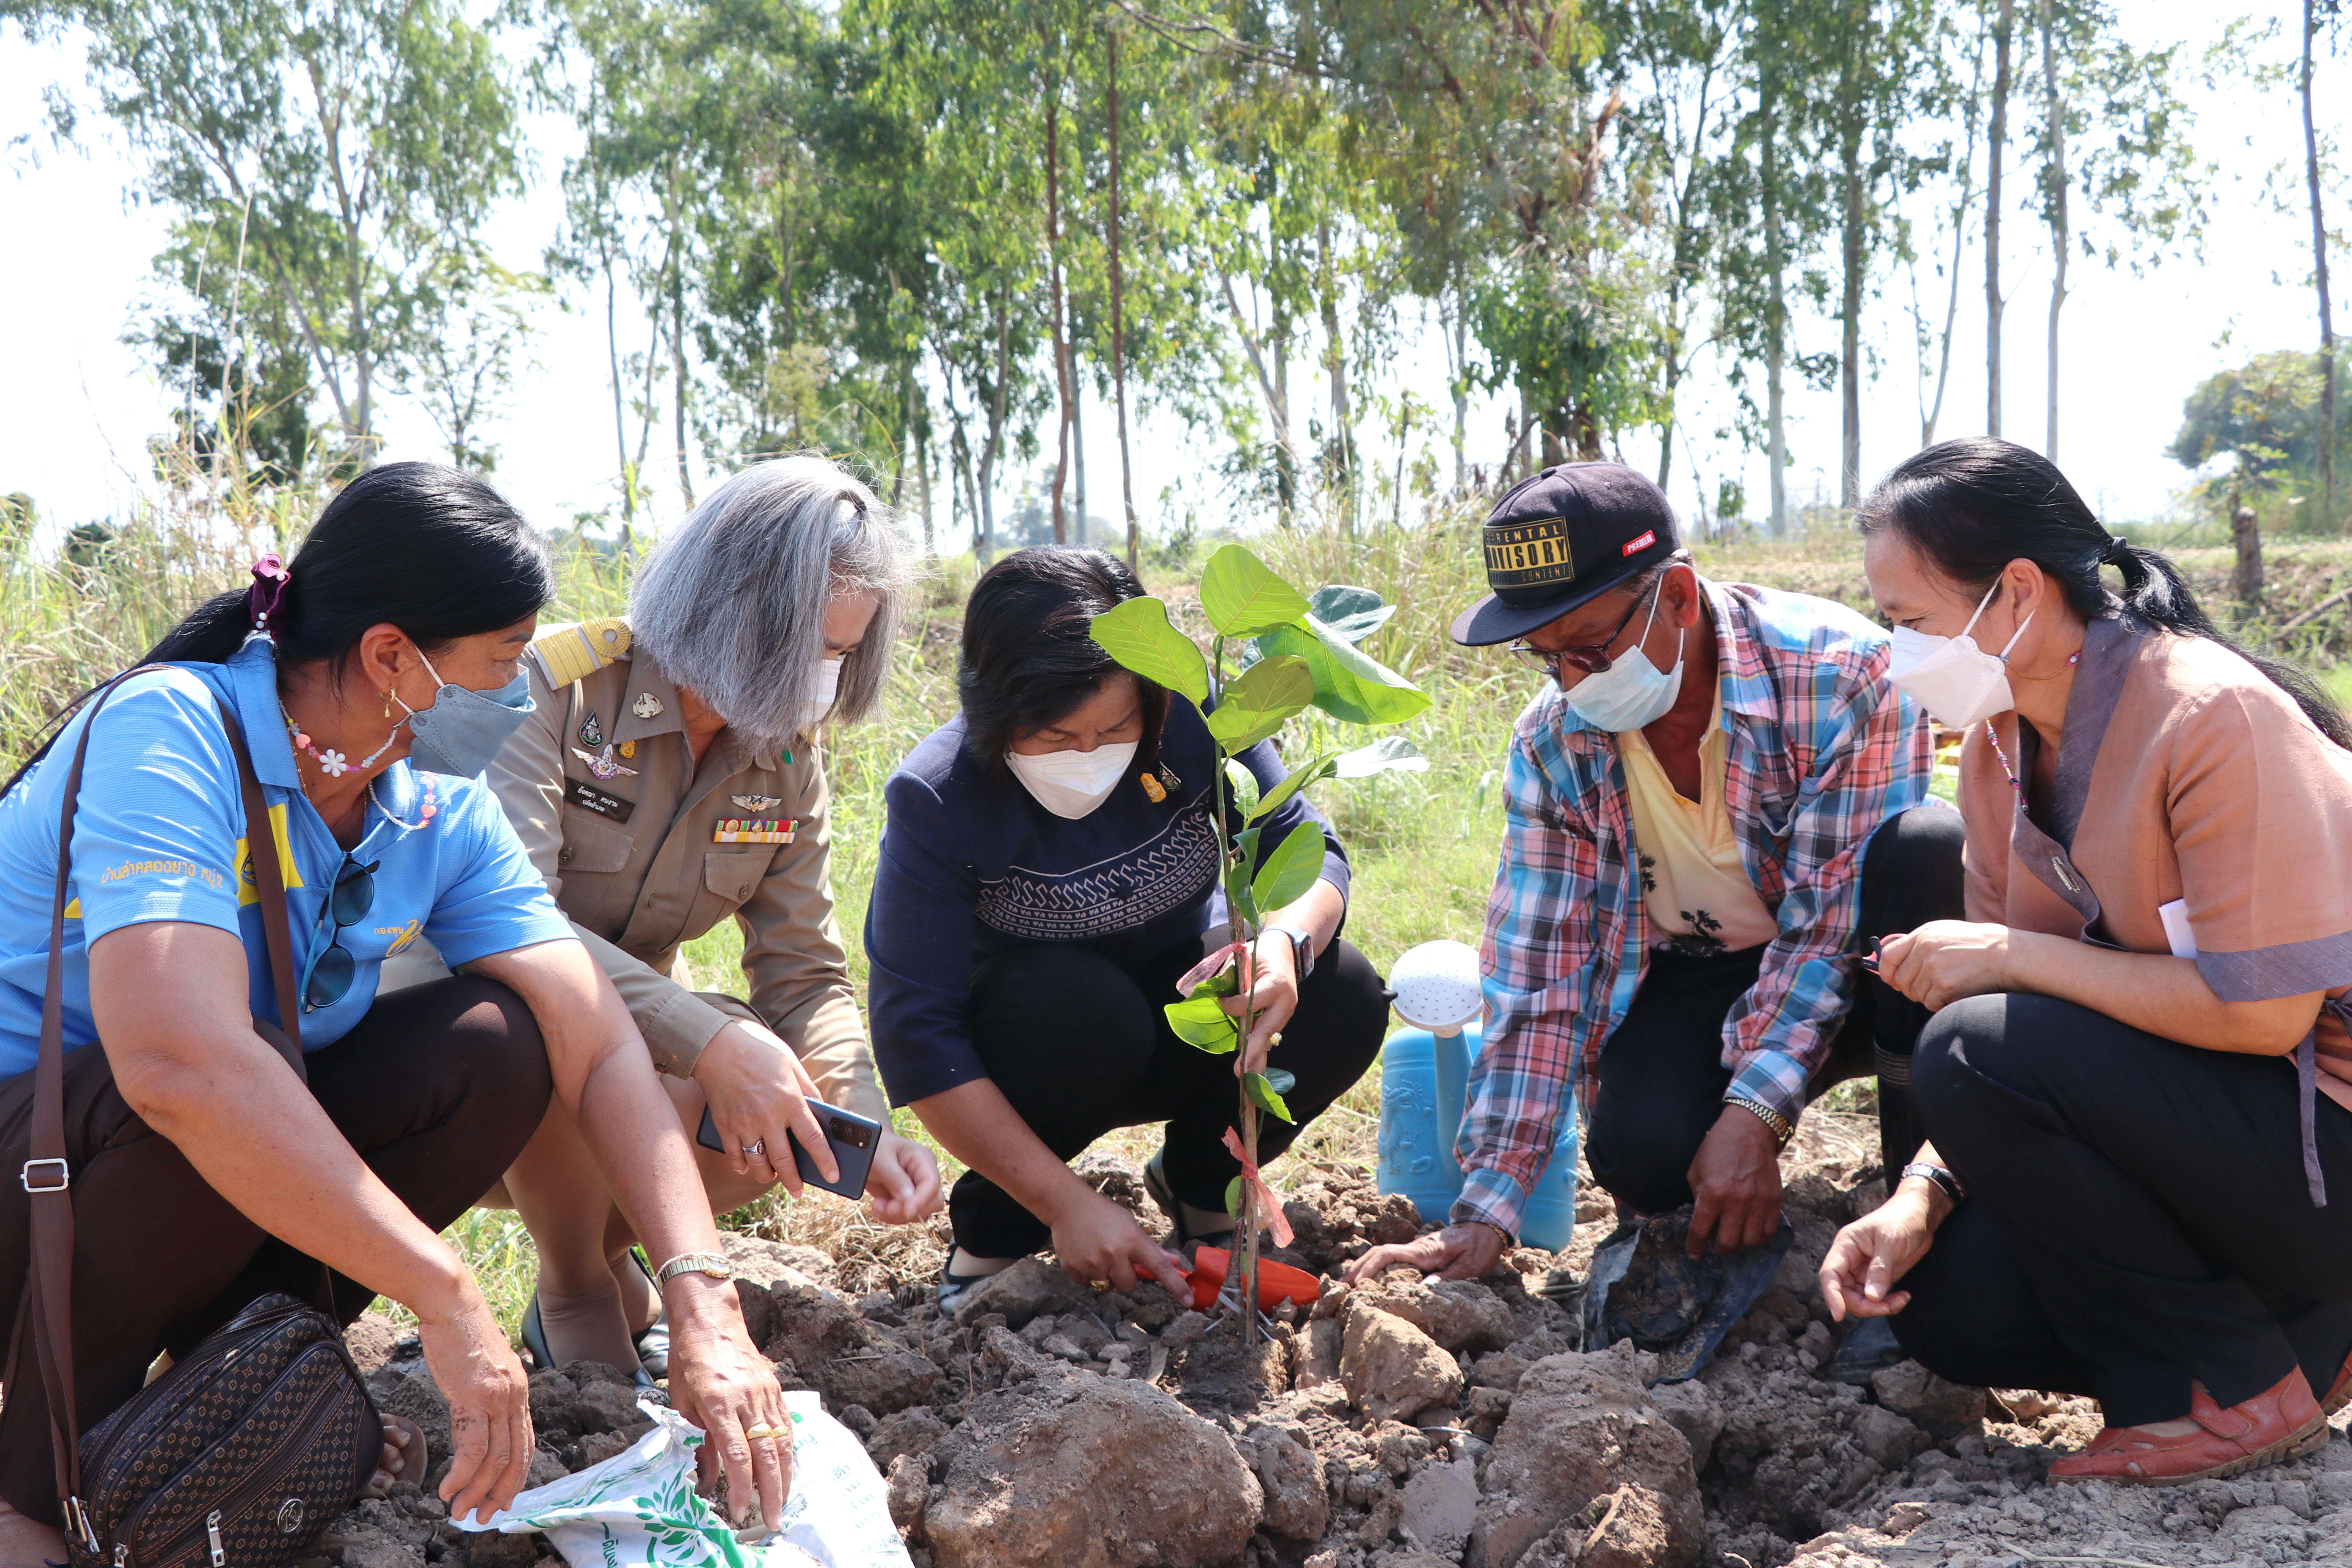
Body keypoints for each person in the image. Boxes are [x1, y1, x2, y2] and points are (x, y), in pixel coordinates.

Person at [0, 464, 793, 1568]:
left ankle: (244, 1386)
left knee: (492, 1047)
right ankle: (32, 1489)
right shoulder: (173, 732)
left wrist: (705, 1300)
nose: (522, 696)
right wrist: (446, 1290)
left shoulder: (430, 809)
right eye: (506, 662)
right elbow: (178, 1067)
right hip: (41, 1177)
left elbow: (596, 1039)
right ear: (390, 657)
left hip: (159, 1177)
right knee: (219, 1093)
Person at [1819, 437, 2352, 1484]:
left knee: (1972, 1044)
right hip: (2233, 1133)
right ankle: (2312, 1334)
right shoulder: (1997, 751)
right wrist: (1917, 1198)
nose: (1898, 653)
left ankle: (2225, 1391)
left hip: (2323, 1127)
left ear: (2015, 593)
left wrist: (2012, 956)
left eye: (1910, 622)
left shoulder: (2210, 715)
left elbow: (2265, 1021)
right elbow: (2053, 1030)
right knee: (1948, 1310)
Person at [386, 456, 944, 1376]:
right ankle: (571, 1285)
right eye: (810, 648)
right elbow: (507, 929)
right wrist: (708, 1042)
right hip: (462, 1049)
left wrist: (858, 1111)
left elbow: (804, 970)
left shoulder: (784, 759)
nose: (823, 678)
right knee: (559, 1019)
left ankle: (609, 1257)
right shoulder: (545, 692)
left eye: (842, 655)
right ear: (729, 611)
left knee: (780, 1085)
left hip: (626, 1057)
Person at [1352, 463, 1947, 1302]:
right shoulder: (1556, 741)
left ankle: (1917, 1207)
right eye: (1547, 657)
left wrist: (1754, 1115)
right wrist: (1486, 1209)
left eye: (1591, 648)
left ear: (1674, 595)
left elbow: (1824, 931)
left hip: (1870, 956)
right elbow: (1539, 969)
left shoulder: (1841, 675)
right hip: (1712, 964)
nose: (1573, 682)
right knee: (1643, 1150)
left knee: (1927, 851)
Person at [865, 548, 1390, 1303]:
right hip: (1049, 1050)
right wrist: (1068, 1205)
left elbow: (1305, 846)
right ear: (992, 714)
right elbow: (918, 1035)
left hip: (1189, 1007)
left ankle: (1203, 1188)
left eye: (1115, 729)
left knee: (1340, 985)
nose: (1089, 755)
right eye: (1054, 738)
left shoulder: (1191, 713)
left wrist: (1282, 943)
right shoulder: (939, 797)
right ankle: (997, 1238)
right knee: (1076, 1003)